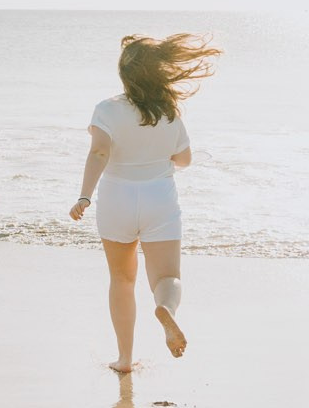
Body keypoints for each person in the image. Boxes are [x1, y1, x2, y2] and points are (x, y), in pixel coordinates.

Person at [69, 33, 220, 371]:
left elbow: (99, 152)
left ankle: (124, 359)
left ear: (124, 75)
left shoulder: (106, 109)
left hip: (117, 199)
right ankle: (166, 308)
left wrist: (84, 196)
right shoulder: (168, 112)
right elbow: (184, 159)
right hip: (159, 199)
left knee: (122, 280)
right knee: (167, 277)